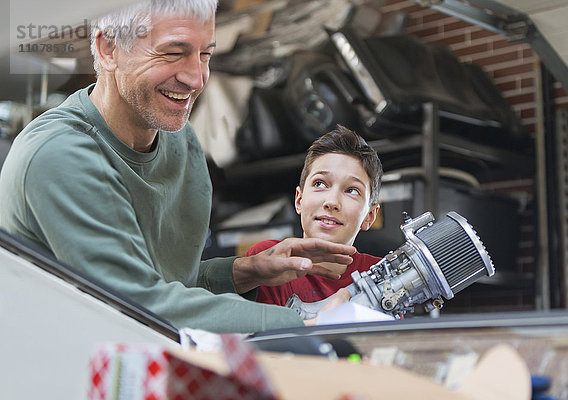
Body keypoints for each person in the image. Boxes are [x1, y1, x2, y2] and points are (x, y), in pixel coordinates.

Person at [0, 0, 356, 333]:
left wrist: (245, 271)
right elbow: (136, 304)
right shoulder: (61, 155)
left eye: (205, 54)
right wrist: (302, 322)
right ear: (109, 49)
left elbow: (168, 285)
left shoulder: (180, 140)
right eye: (173, 53)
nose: (197, 78)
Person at [246, 125, 383, 309]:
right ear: (299, 200)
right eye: (320, 183)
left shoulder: (382, 275)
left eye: (351, 190)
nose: (332, 202)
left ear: (370, 215)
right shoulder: (268, 259)